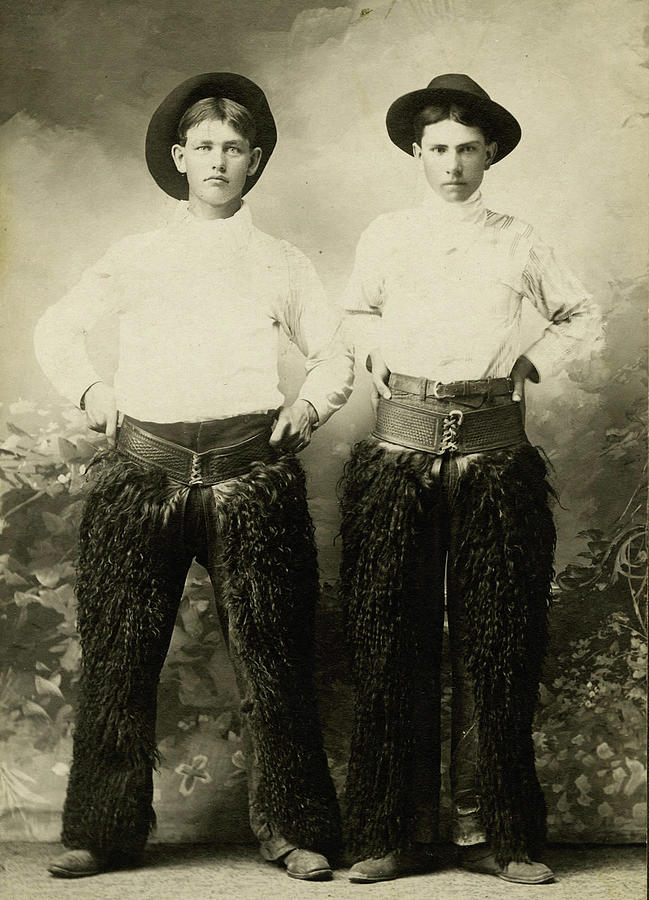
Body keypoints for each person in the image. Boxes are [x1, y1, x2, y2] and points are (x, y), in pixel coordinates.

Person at [34, 72, 353, 881]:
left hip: (251, 474)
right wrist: (91, 392)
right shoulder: (136, 256)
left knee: (276, 659)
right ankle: (103, 832)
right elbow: (57, 329)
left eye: (233, 148)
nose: (217, 160)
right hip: (143, 474)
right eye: (203, 147)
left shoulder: (281, 262)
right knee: (119, 659)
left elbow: (338, 352)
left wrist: (310, 406)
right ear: (179, 158)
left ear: (254, 162)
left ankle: (294, 829)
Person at [339, 73, 603, 885]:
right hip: (400, 450)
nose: (452, 163)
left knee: (495, 646)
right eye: (438, 149)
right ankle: (392, 833)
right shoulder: (385, 234)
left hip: (493, 453)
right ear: (416, 154)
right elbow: (353, 313)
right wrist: (371, 348)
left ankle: (499, 836)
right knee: (392, 645)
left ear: (489, 153)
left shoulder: (519, 239)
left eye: (466, 149)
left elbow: (582, 317)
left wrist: (532, 359)